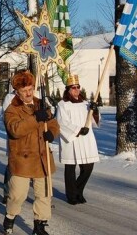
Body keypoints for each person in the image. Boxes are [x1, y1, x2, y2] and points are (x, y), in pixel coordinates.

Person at [2, 70, 60, 235]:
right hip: (22, 159)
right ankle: (10, 216)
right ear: (17, 92)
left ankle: (39, 225)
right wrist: (35, 119)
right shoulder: (12, 109)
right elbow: (15, 130)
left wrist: (52, 133)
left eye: (30, 88)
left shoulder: (41, 104)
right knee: (17, 195)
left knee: (44, 195)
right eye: (24, 90)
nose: (28, 93)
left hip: (42, 158)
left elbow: (54, 123)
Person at [56, 74, 100, 205]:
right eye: (73, 88)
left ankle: (77, 191)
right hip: (72, 140)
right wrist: (78, 130)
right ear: (68, 89)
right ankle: (72, 195)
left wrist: (95, 111)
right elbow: (61, 122)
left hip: (86, 140)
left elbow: (94, 121)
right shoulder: (63, 105)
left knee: (88, 167)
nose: (76, 90)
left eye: (78, 87)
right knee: (70, 169)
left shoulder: (86, 104)